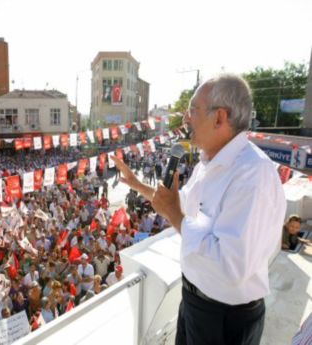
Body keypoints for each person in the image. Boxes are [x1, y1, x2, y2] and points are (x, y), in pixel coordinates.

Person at [112, 74, 286, 345]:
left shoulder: (252, 175)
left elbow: (231, 267)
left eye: (192, 110)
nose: (185, 120)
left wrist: (176, 215)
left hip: (225, 320)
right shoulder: (209, 165)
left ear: (220, 118)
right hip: (195, 303)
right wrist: (138, 185)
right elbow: (178, 203)